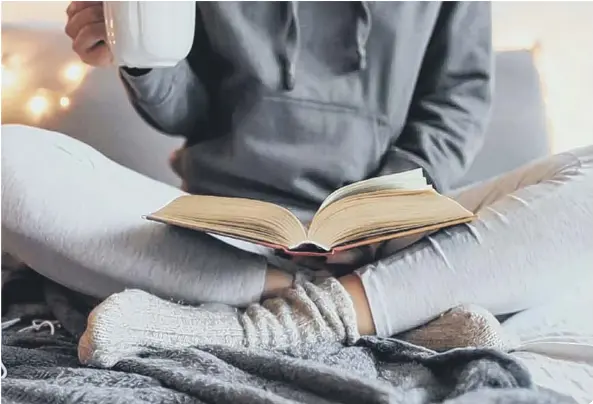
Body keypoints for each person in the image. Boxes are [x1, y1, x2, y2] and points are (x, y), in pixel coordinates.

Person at [1, 1, 592, 370]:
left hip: (396, 231)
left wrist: (385, 208)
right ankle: (392, 310)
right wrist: (141, 59)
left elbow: (456, 101)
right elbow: (189, 112)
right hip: (219, 231)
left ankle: (272, 318)